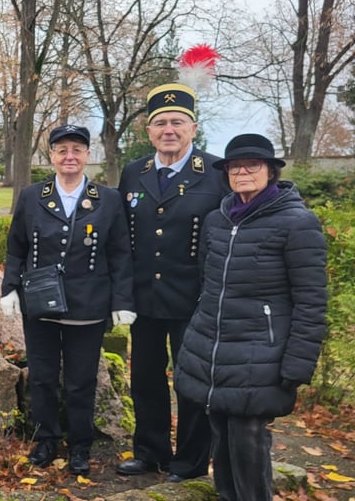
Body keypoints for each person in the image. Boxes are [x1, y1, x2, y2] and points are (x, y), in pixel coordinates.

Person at [175, 133, 327, 501]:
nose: (242, 172)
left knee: (248, 440)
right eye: (234, 166)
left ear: (271, 171)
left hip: (263, 353)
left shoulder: (297, 223)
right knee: (222, 436)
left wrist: (296, 364)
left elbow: (311, 301)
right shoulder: (217, 220)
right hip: (215, 349)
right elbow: (208, 285)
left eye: (252, 165)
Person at [1, 124, 133, 476]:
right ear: (51, 156)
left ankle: (80, 445)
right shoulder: (32, 196)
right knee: (42, 377)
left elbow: (120, 253)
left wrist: (122, 301)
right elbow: (16, 247)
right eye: (62, 150)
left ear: (88, 155)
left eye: (77, 149)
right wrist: (9, 288)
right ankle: (46, 440)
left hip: (87, 306)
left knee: (81, 380)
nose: (69, 156)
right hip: (40, 305)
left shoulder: (107, 199)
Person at [116, 83, 229, 481]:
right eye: (160, 123)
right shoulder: (134, 173)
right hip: (145, 299)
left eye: (177, 122)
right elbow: (121, 237)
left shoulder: (216, 174)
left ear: (193, 128)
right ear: (148, 131)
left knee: (192, 383)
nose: (169, 130)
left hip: (195, 301)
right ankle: (151, 453)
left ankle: (191, 462)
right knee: (145, 379)